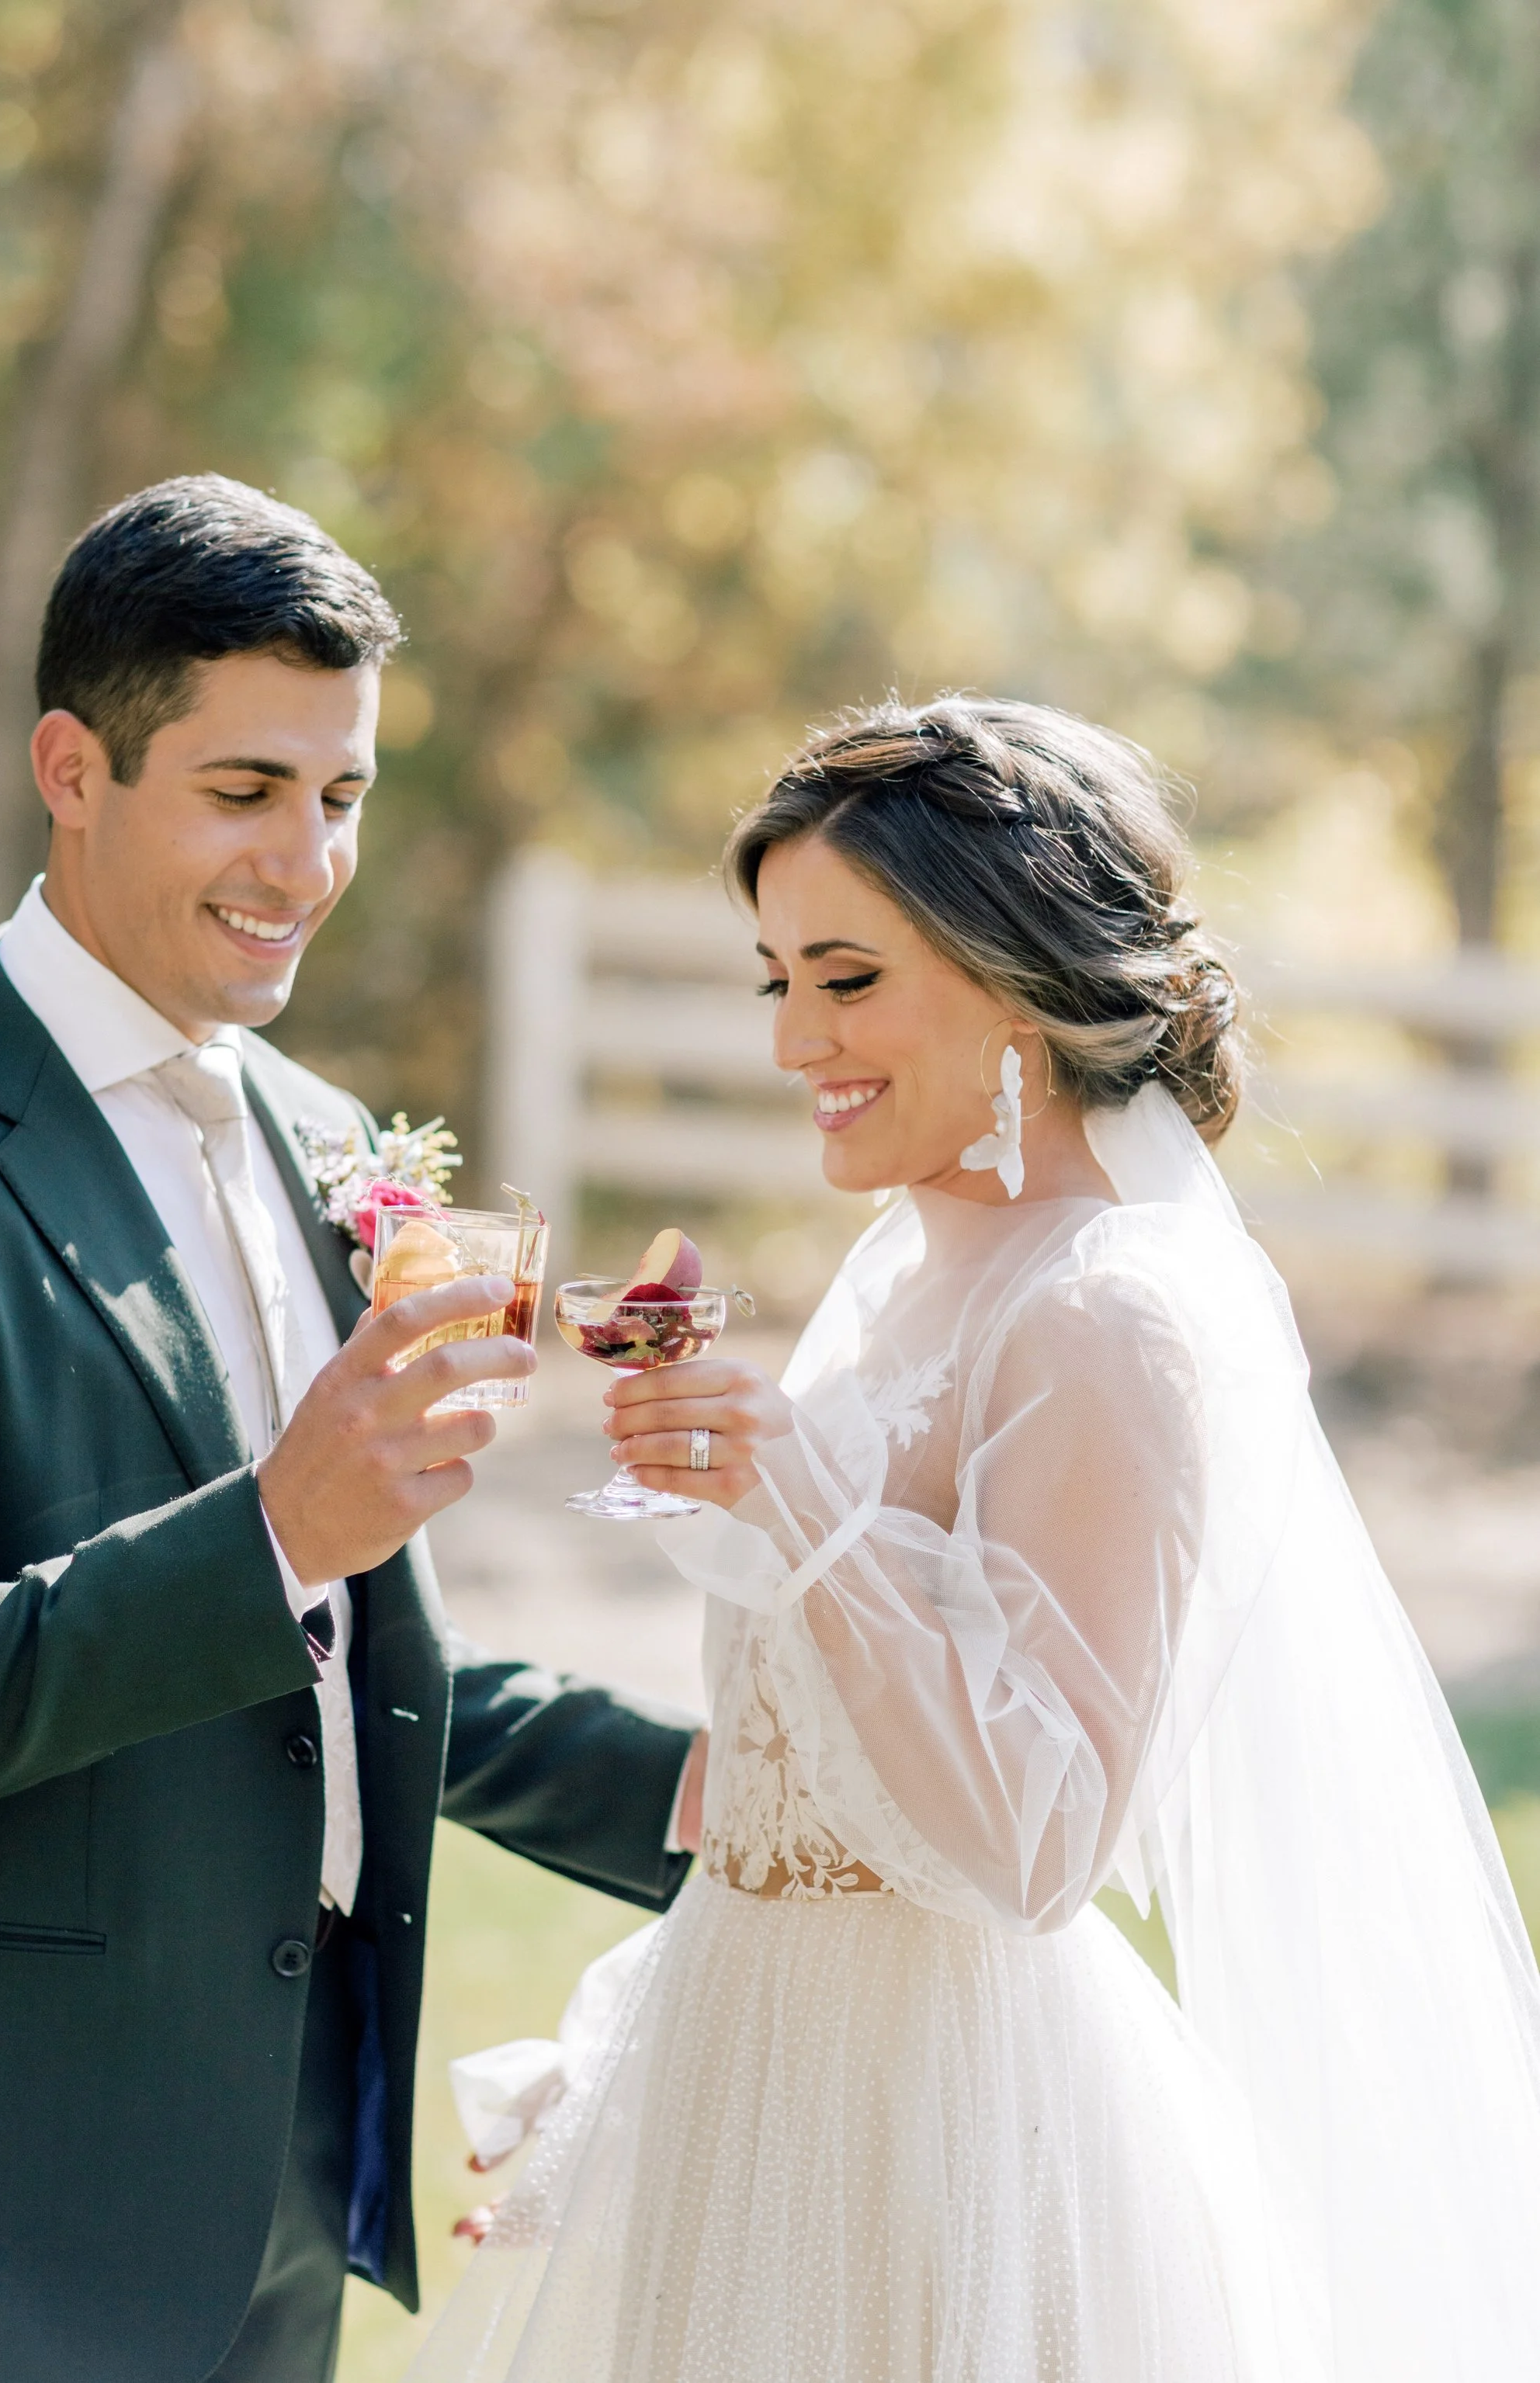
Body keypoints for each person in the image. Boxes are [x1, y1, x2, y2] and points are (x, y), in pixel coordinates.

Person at [0, 475, 704, 2383]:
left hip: (272, 2178)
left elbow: (345, 1655)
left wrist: (720, 1802)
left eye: (343, 796)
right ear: (74, 765)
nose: (304, 863)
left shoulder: (321, 1137)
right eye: (244, 790)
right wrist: (273, 1523)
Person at [411, 697, 1540, 2382]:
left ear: (1013, 979)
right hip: (755, 2088)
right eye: (774, 978)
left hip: (950, 2151)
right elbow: (819, 1784)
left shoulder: (1105, 1313)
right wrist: (633, 2056)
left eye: (847, 978)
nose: (796, 1040)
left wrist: (789, 1499)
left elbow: (1031, 1843)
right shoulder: (901, 1274)